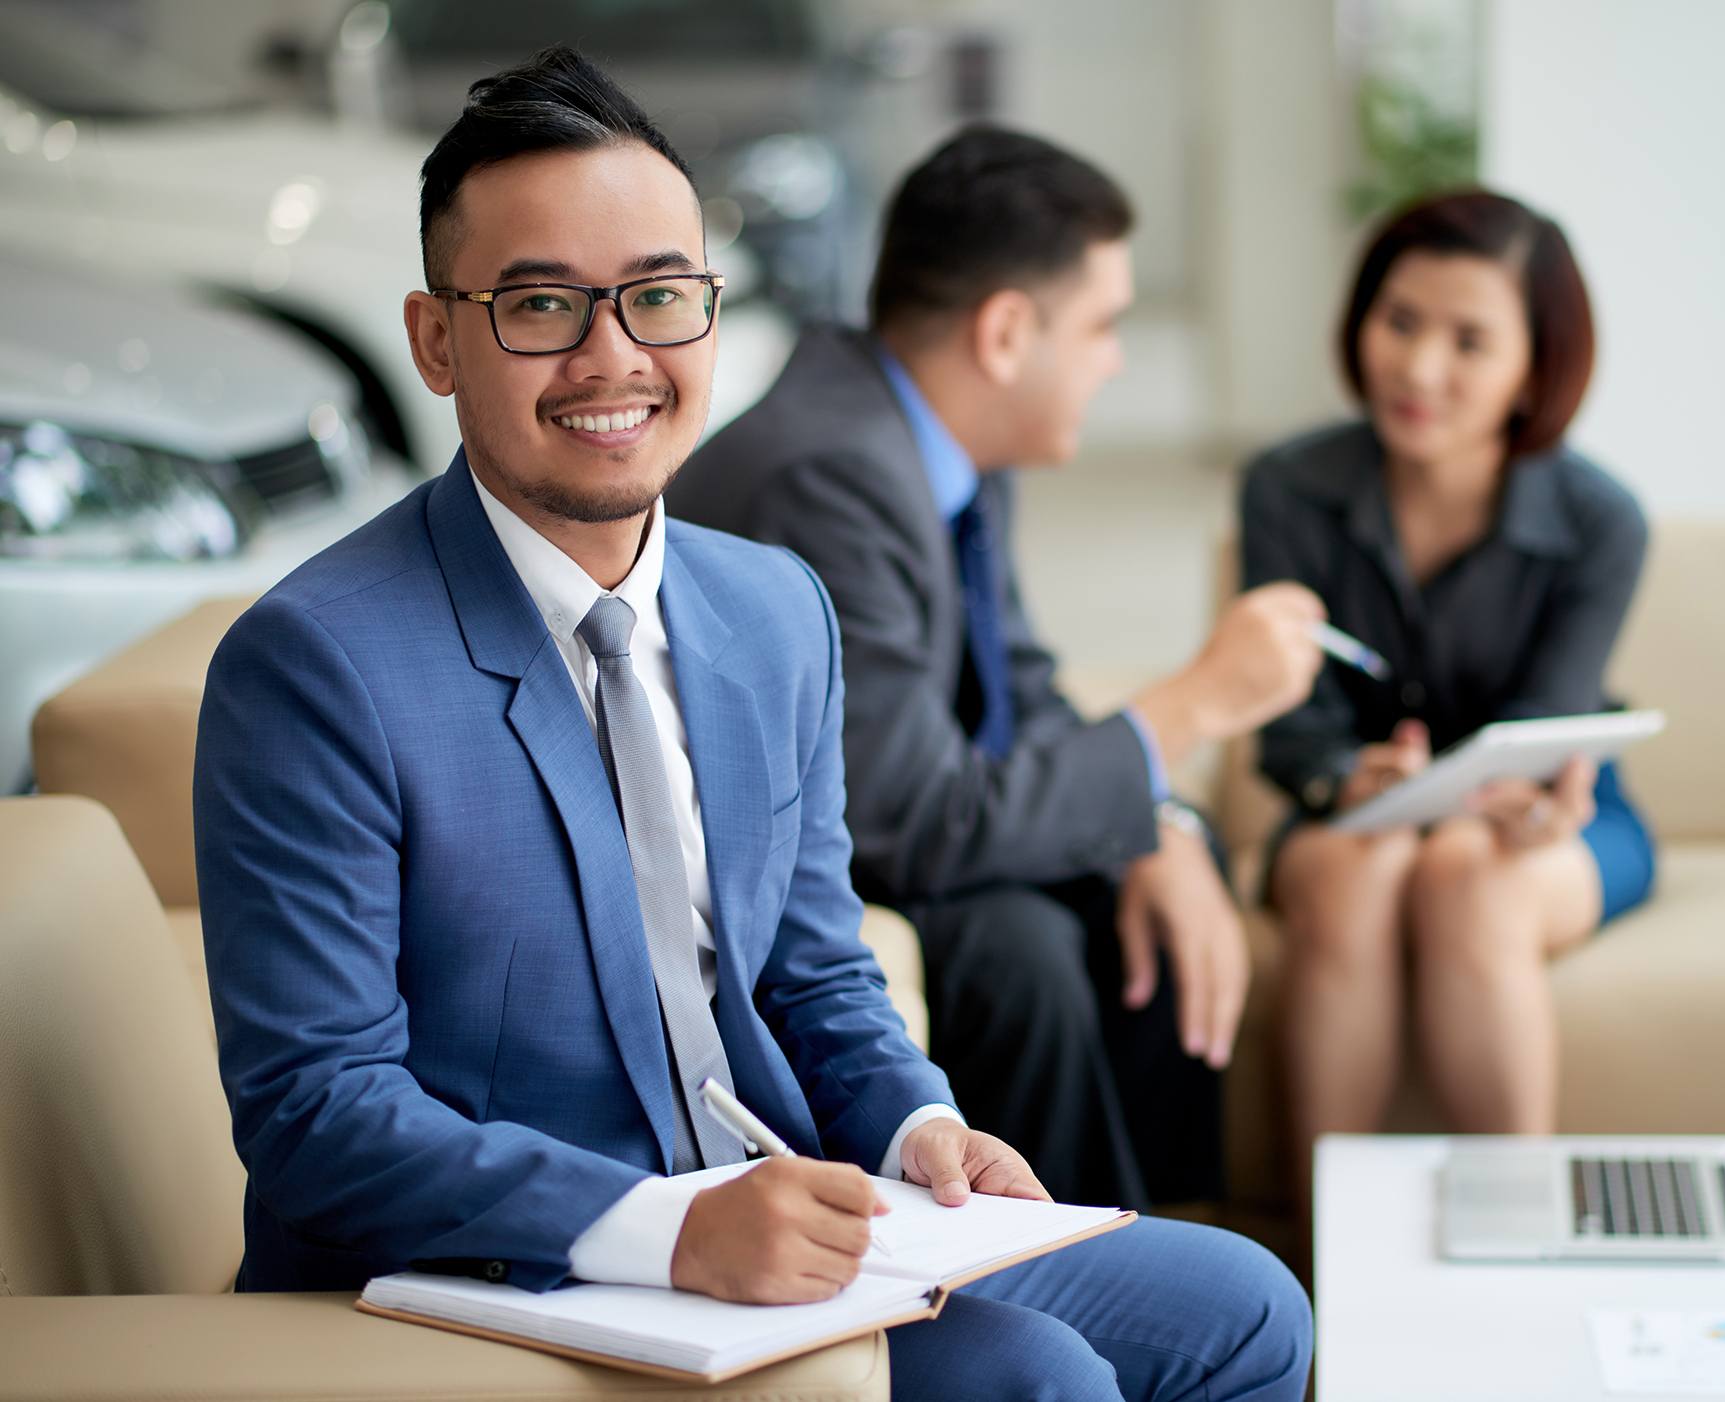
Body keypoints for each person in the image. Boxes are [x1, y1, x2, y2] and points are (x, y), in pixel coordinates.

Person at [192, 48, 1309, 1401]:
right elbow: (318, 1114)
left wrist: (919, 1126)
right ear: (438, 339)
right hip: (494, 1271)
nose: (614, 359)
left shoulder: (775, 608)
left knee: (1252, 1308)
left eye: (660, 296)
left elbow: (818, 968)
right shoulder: (317, 664)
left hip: (782, 1210)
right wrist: (672, 1226)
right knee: (1040, 1378)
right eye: (542, 304)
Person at [671, 127, 1324, 1210]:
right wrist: (1197, 701)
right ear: (1008, 332)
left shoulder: (948, 441)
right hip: (780, 865)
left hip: (894, 819)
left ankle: (1163, 1252)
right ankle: (1083, 1271)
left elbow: (1019, 690)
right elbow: (914, 819)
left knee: (1134, 887)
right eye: (1104, 325)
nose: (1117, 357)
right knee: (1019, 947)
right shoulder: (830, 473)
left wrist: (1158, 823)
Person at [1240, 190, 1657, 1203]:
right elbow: (1290, 735)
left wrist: (1536, 800)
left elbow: (1549, 730)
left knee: (1467, 870)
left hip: (1539, 825)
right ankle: (1316, 1280)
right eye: (1401, 322)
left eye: (1470, 341)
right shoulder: (1286, 487)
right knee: (1364, 866)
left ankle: (1516, 1246)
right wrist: (1350, 778)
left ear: (1533, 366)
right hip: (1353, 818)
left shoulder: (1603, 522)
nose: (1419, 368)